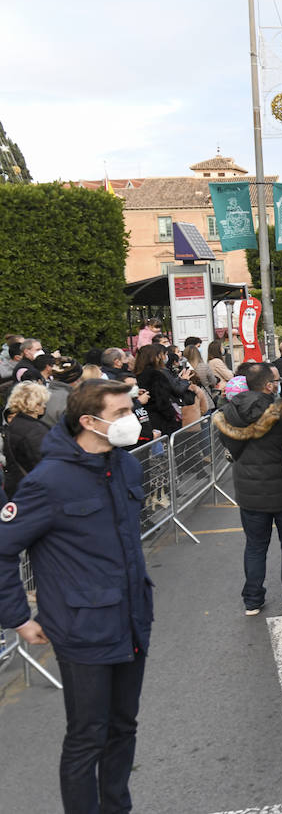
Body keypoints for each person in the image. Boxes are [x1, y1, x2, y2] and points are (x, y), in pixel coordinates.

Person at [0, 379, 153, 813]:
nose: (131, 419)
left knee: (124, 727)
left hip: (132, 619)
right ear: (88, 421)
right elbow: (2, 548)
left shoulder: (126, 465)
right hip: (83, 628)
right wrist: (18, 617)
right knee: (88, 735)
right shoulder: (48, 481)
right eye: (121, 412)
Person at [213, 364, 282, 616]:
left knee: (254, 545)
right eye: (276, 379)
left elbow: (230, 447)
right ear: (268, 385)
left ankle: (252, 599)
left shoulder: (229, 412)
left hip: (248, 488)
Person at [134, 344, 195, 437]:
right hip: (161, 419)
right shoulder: (156, 375)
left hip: (144, 417)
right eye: (161, 355)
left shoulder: (136, 374)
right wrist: (171, 417)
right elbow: (163, 400)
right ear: (155, 357)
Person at [4, 381, 51, 494]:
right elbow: (42, 464)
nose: (44, 406)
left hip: (17, 484)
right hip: (35, 488)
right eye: (41, 403)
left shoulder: (14, 423)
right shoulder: (34, 430)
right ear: (34, 405)